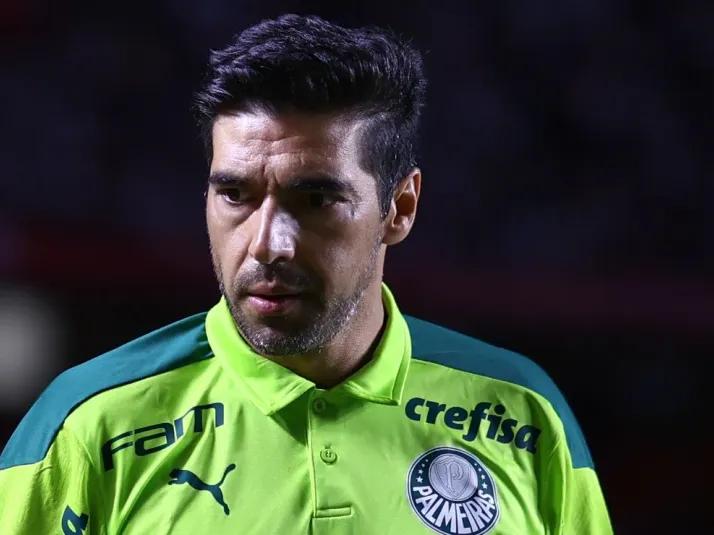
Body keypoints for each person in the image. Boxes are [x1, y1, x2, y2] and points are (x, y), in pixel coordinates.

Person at [0, 14, 612, 535]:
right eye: (235, 195)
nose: (268, 243)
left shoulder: (524, 415)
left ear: (399, 208)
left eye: (316, 199)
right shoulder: (85, 425)